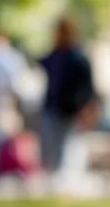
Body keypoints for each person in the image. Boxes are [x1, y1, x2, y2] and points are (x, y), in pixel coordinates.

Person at [37, 17, 96, 179]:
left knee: (70, 148)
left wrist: (87, 109)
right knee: (51, 148)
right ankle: (55, 180)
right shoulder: (54, 56)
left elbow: (88, 88)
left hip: (71, 110)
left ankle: (68, 181)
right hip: (53, 109)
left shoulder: (78, 58)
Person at [0, 24, 27, 166]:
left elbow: (15, 83)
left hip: (1, 102)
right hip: (2, 101)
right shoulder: (8, 56)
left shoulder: (5, 56)